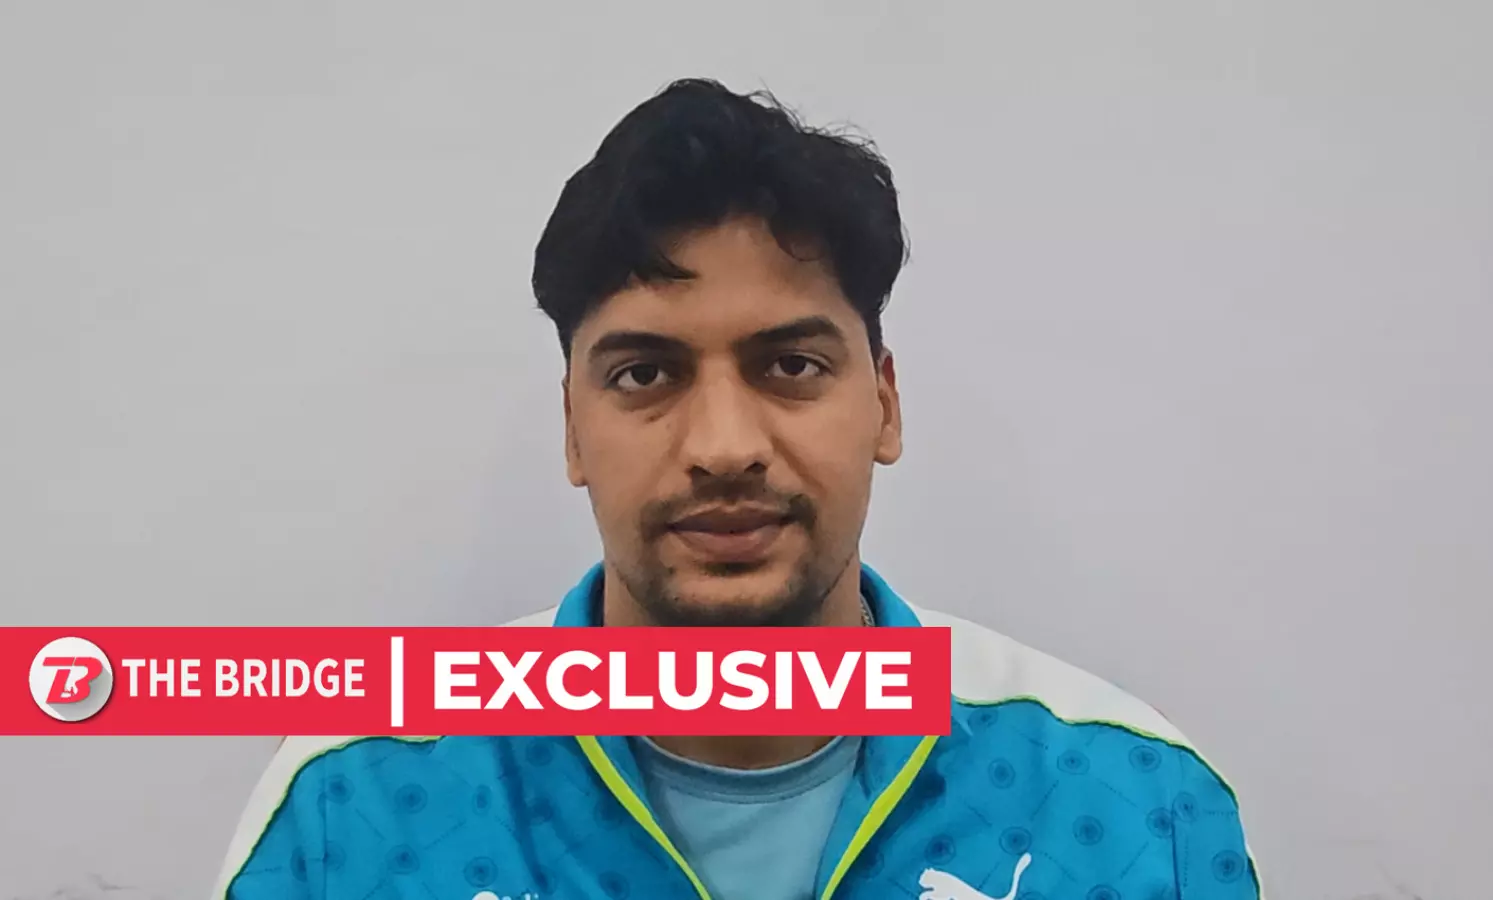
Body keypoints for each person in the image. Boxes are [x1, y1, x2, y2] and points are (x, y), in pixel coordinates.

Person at [211, 78, 1261, 900]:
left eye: (790, 365)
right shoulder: (352, 803)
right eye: (645, 375)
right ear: (573, 429)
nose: (722, 447)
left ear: (885, 404)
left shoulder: (1133, 801)